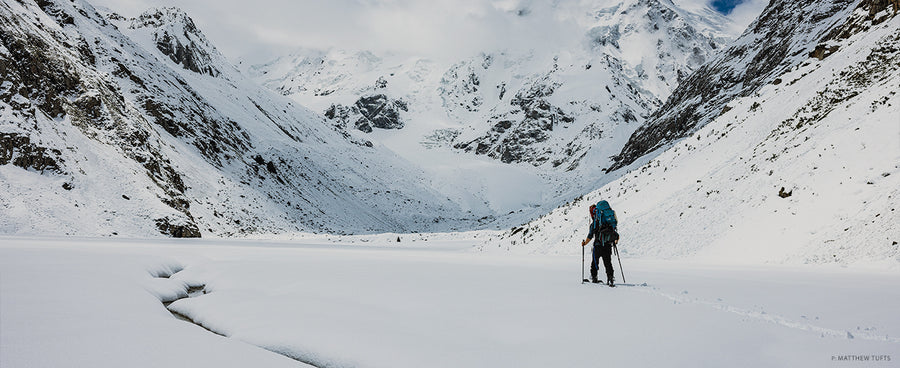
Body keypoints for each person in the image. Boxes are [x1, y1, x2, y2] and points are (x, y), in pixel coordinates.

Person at [581, 202, 617, 285]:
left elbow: (590, 236)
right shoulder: (608, 221)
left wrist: (584, 243)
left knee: (594, 262)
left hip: (598, 245)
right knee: (608, 263)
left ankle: (594, 277)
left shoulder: (594, 223)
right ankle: (610, 278)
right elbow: (615, 233)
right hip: (608, 245)